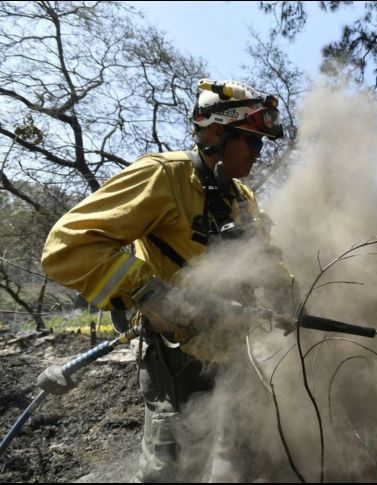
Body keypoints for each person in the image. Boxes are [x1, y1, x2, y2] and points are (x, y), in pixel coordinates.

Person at [40, 79, 295, 481]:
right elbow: (67, 246)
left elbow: (263, 254)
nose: (259, 153)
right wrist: (150, 294)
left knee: (251, 448)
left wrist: (286, 290)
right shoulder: (165, 177)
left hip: (234, 347)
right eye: (252, 141)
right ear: (216, 132)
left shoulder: (242, 196)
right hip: (176, 355)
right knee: (173, 468)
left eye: (263, 144)